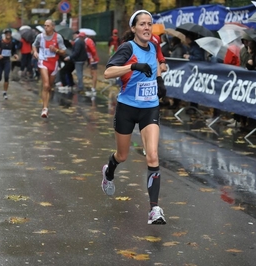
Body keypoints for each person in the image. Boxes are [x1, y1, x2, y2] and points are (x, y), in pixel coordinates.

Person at [101, 9, 167, 225]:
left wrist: (159, 82)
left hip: (150, 108)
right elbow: (108, 73)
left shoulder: (155, 45)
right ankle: (109, 171)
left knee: (153, 156)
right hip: (127, 108)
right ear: (134, 28)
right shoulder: (127, 48)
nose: (147, 27)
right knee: (122, 155)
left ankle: (154, 209)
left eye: (149, 23)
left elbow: (156, 65)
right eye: (142, 24)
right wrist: (132, 66)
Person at [32, 19, 66, 118]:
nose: (45, 27)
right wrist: (35, 52)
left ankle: (46, 104)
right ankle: (44, 108)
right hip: (43, 62)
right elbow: (34, 45)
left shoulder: (58, 37)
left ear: (53, 27)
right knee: (46, 85)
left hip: (54, 63)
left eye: (48, 26)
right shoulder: (40, 36)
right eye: (45, 25)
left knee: (50, 87)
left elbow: (64, 51)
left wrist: (55, 50)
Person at [0, 28, 19, 100]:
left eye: (9, 33)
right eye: (7, 33)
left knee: (6, 76)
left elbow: (13, 51)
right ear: (4, 35)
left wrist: (15, 55)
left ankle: (5, 92)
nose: (8, 35)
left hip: (7, 61)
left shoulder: (12, 43)